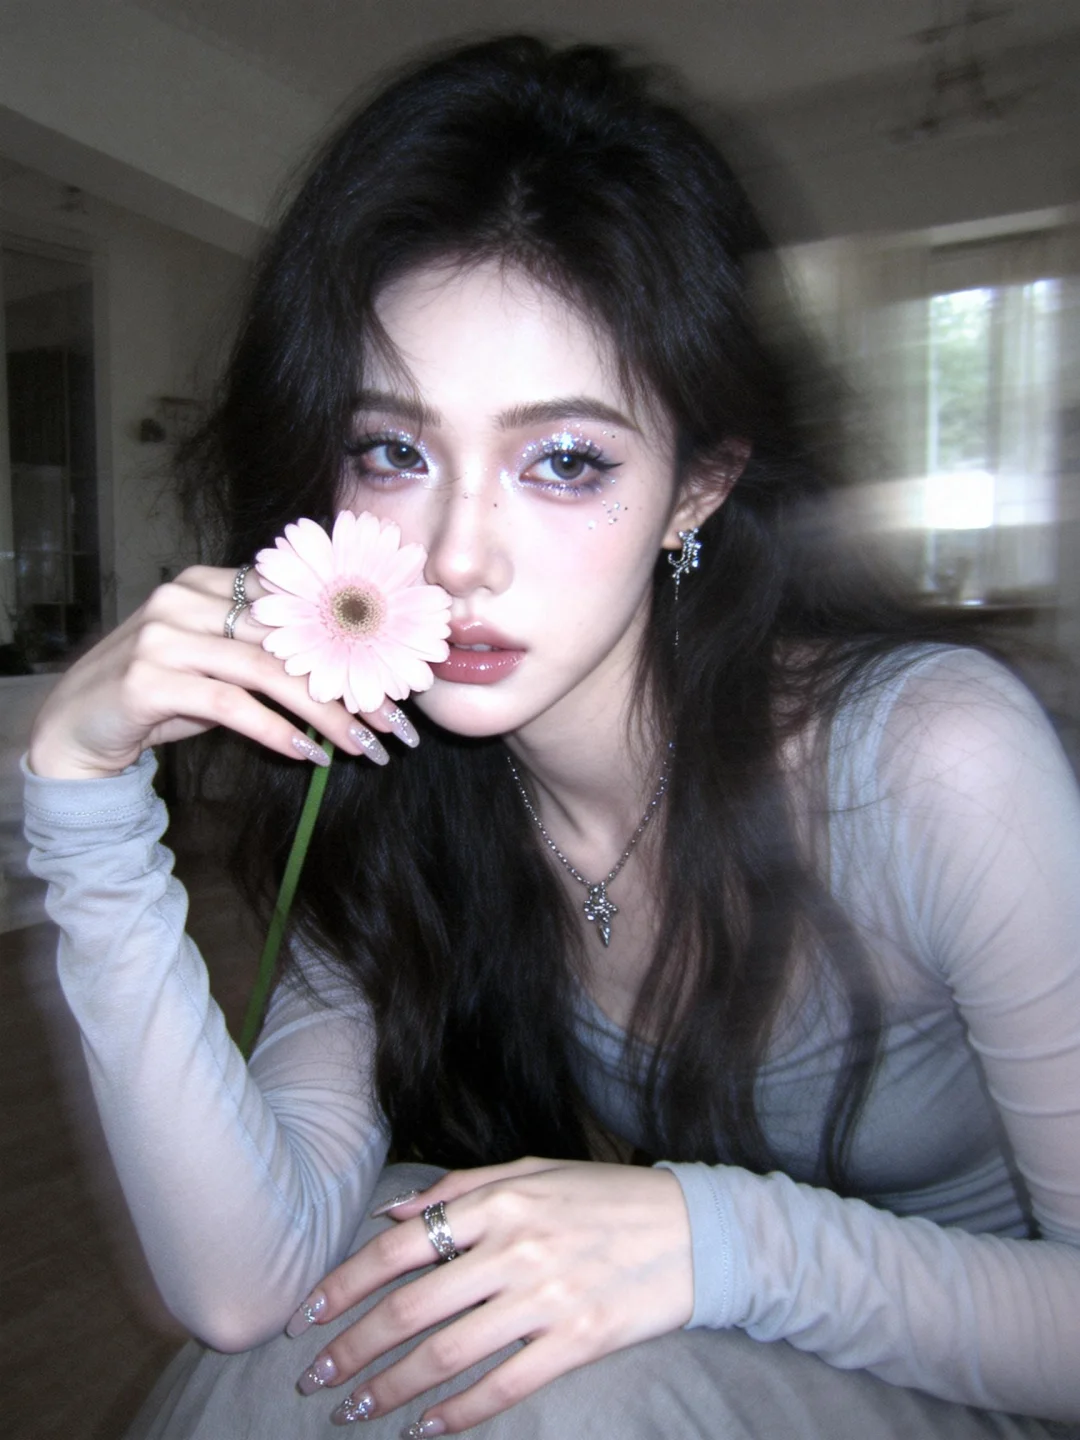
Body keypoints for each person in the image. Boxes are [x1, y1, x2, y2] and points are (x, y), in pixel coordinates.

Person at [22, 34, 1080, 1440]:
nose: (458, 556)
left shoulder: (932, 760)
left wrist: (709, 1237)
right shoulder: (396, 795)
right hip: (745, 1328)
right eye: (394, 451)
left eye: (565, 461)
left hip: (991, 1372)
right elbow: (240, 1286)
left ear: (696, 490)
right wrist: (84, 801)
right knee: (337, 1322)